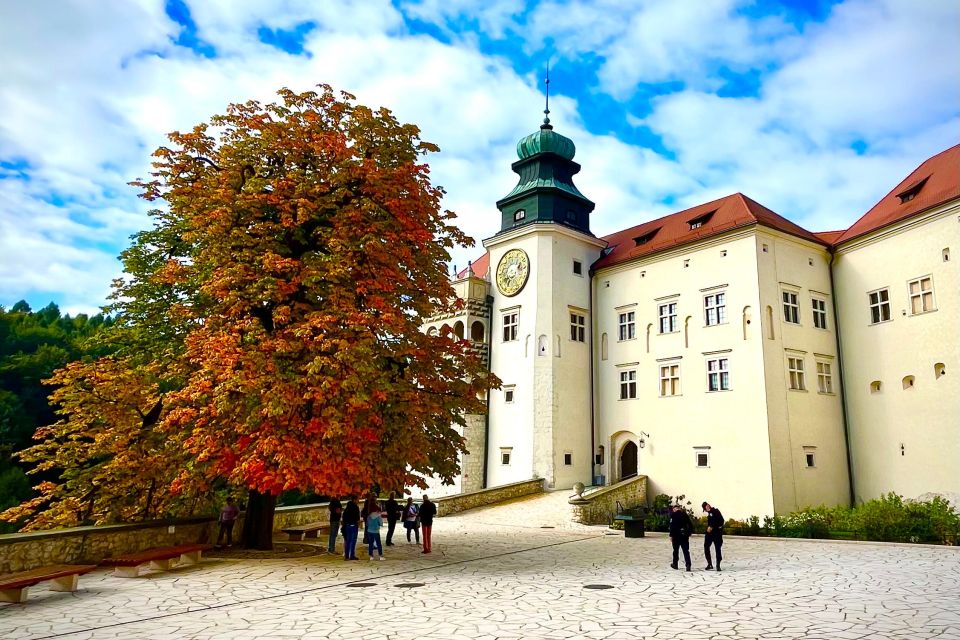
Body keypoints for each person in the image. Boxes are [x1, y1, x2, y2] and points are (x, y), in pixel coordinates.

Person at [669, 504, 693, 571]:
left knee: (675, 551)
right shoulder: (684, 514)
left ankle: (675, 564)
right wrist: (689, 533)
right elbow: (690, 524)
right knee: (685, 551)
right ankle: (688, 565)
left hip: (676, 536)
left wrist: (671, 535)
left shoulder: (673, 515)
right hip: (684, 535)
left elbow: (672, 526)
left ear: (675, 509)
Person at [702, 501, 725, 571]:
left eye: (707, 506)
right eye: (705, 508)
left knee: (717, 548)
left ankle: (718, 565)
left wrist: (712, 526)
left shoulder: (715, 511)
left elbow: (721, 521)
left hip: (717, 533)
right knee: (706, 546)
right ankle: (710, 563)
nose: (706, 508)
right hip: (710, 534)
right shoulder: (709, 514)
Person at [341, 495, 361, 561]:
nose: (359, 501)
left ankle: (347, 556)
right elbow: (358, 518)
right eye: (358, 499)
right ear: (354, 500)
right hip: (353, 525)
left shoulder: (347, 508)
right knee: (353, 541)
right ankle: (352, 555)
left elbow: (343, 517)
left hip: (347, 525)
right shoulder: (356, 508)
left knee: (348, 541)